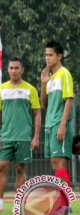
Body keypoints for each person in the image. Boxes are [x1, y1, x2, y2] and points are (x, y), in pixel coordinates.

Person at [0, 58, 41, 212]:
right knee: (1, 166)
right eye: (11, 68)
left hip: (24, 137)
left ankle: (19, 204)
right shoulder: (1, 89)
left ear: (22, 70)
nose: (13, 71)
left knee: (20, 168)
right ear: (7, 70)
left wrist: (36, 136)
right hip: (5, 137)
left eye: (16, 68)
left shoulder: (30, 89)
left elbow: (37, 113)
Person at [40, 41, 74, 188]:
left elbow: (69, 100)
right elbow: (43, 104)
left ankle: (64, 201)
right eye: (46, 55)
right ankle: (64, 199)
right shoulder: (50, 77)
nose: (47, 58)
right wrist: (43, 83)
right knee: (55, 163)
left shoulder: (64, 74)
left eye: (51, 55)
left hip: (58, 124)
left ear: (59, 56)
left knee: (59, 161)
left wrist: (62, 125)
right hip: (49, 124)